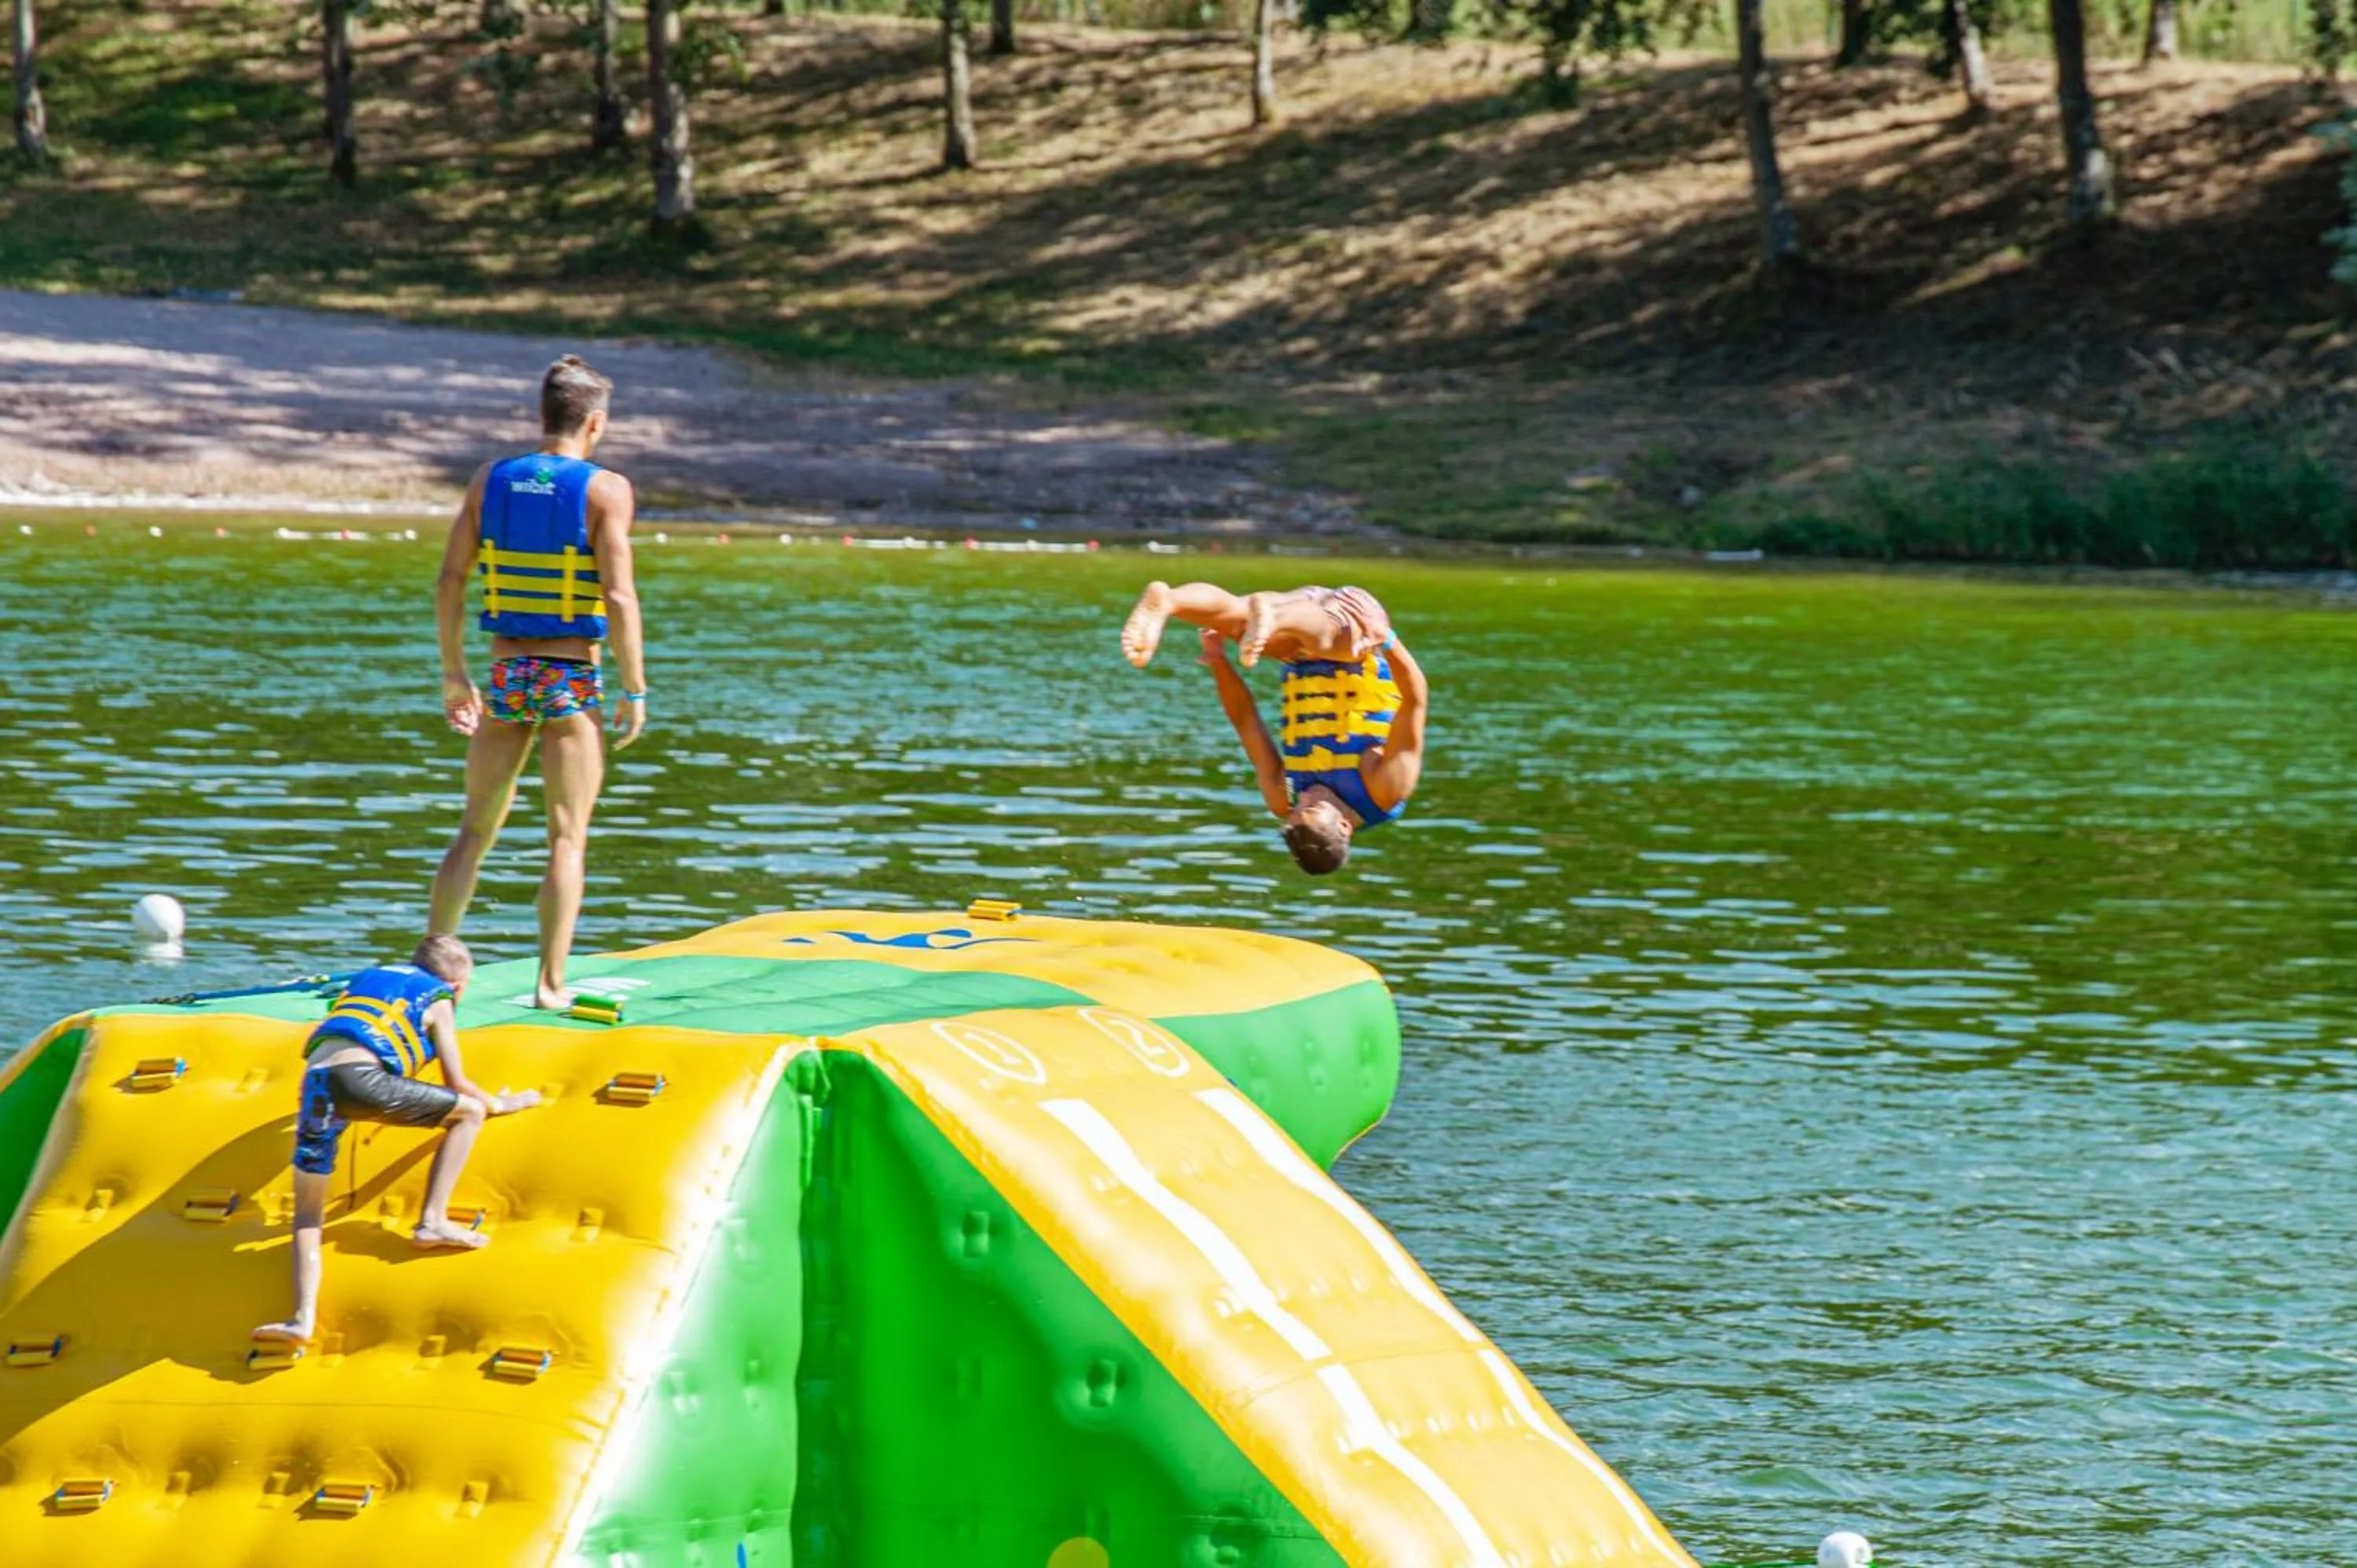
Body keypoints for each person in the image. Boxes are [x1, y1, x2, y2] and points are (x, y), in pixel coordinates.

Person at [428, 355, 647, 1009]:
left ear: (541, 416)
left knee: (475, 829)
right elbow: (619, 596)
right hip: (569, 679)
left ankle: (429, 965)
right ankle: (550, 984)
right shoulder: (606, 490)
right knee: (566, 836)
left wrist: (454, 675)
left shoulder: (489, 480)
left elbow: (450, 581)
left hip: (505, 674)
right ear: (597, 423)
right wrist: (635, 690)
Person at [251, 936, 541, 1347]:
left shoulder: (369, 978)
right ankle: (433, 1221)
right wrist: (507, 1102)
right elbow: (456, 1084)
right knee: (470, 1114)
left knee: (307, 1215)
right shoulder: (440, 999)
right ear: (459, 986)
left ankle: (301, 1320)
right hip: (362, 1081)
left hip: (316, 1085)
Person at [1122, 581, 1429, 874]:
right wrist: (1387, 638)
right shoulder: (1384, 789)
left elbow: (1246, 722)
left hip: (1297, 655)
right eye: (1312, 808)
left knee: (1236, 618)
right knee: (1325, 639)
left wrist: (1218, 663)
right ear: (1344, 827)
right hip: (1360, 636)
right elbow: (1415, 701)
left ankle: (1169, 600)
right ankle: (1273, 617)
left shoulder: (1283, 796)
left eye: (1298, 810)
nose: (1304, 798)